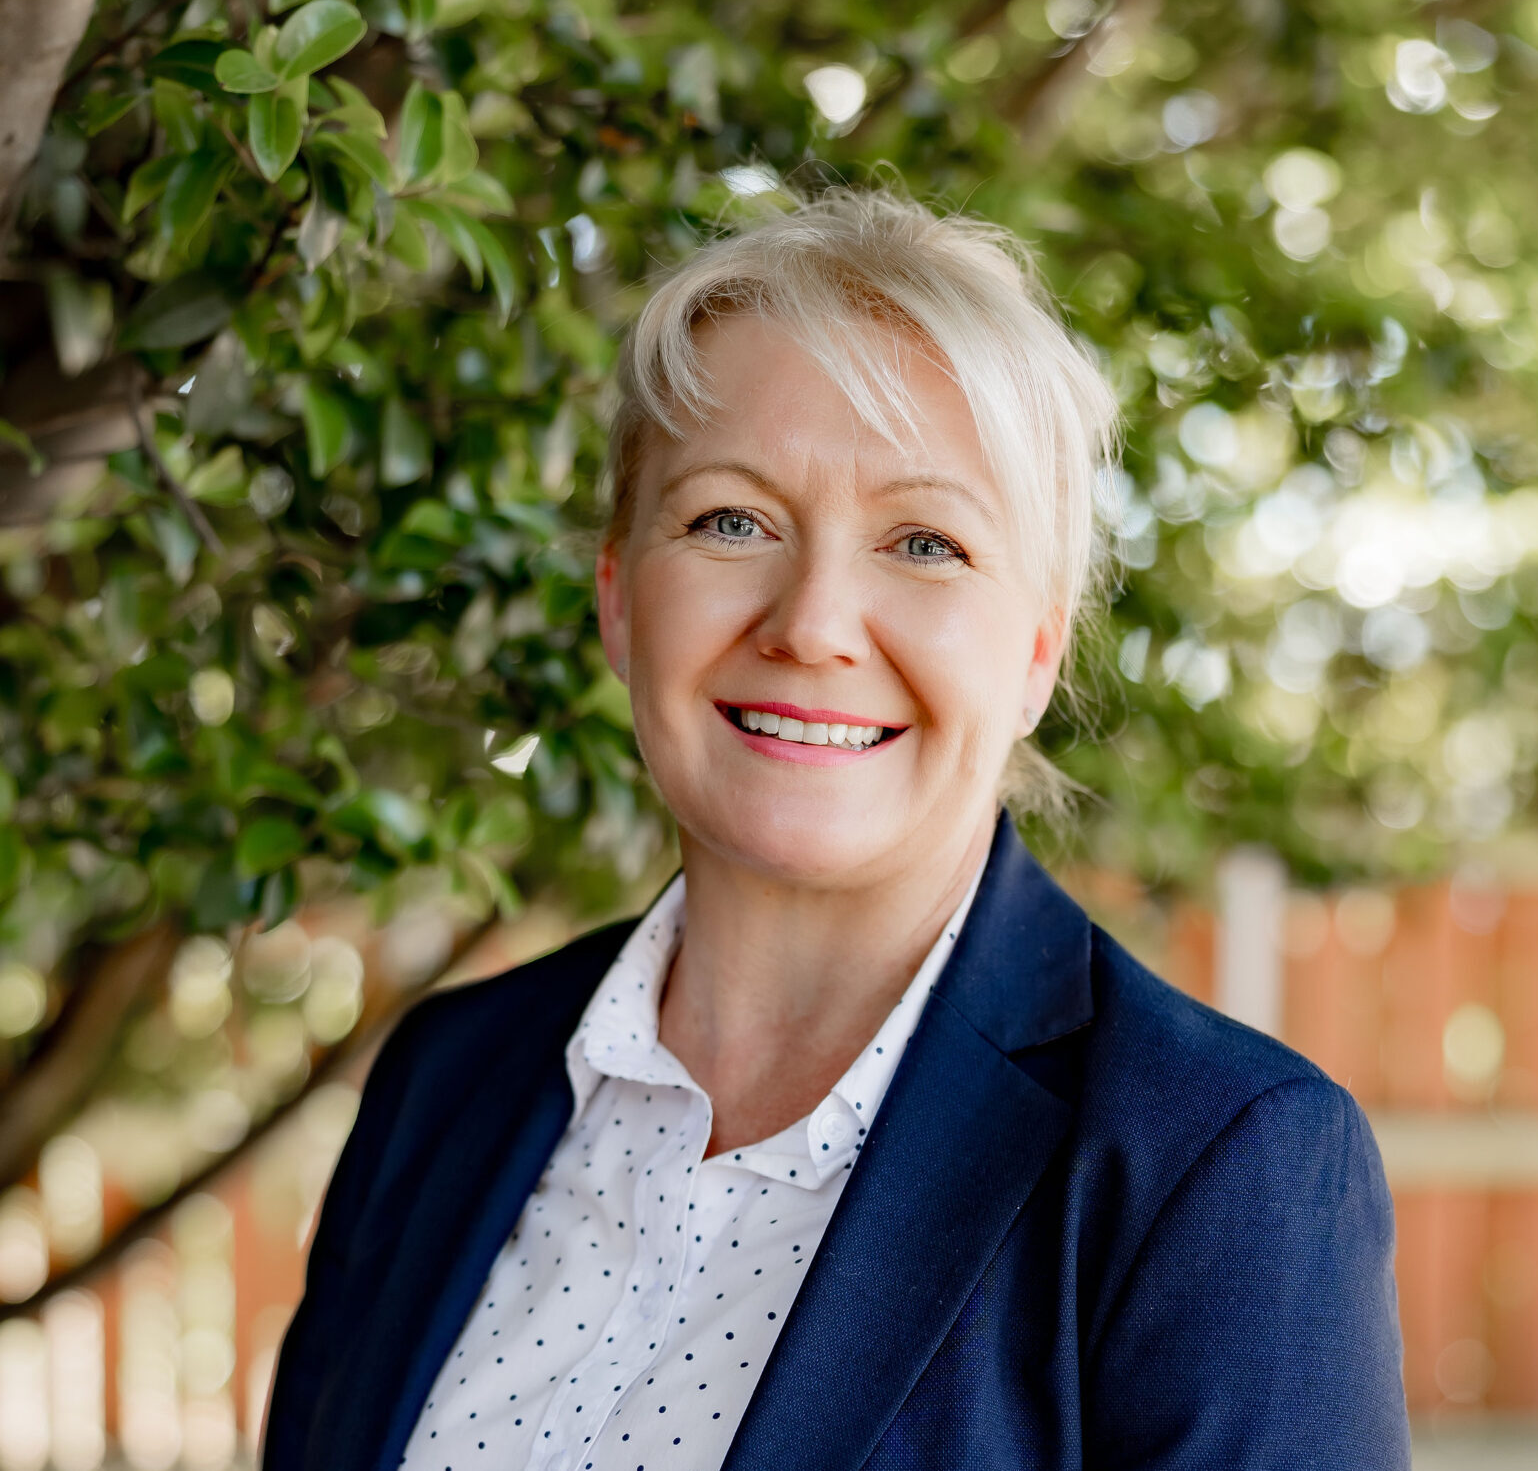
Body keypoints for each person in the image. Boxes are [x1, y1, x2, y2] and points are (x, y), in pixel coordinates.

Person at [261, 185, 1409, 1471]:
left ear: (1037, 651)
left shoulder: (1219, 1166)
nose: (811, 624)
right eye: (731, 520)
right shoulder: (445, 1079)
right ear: (619, 600)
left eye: (924, 542)